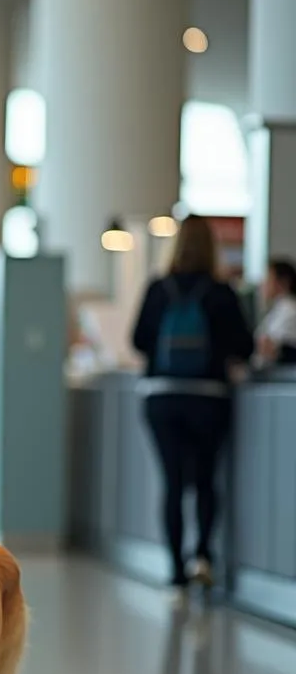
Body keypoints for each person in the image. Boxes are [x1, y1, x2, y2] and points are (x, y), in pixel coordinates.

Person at [131, 215, 254, 595]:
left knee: (172, 482)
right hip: (208, 397)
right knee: (204, 479)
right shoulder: (221, 292)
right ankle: (203, 554)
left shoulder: (157, 289)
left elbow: (137, 340)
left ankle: (175, 569)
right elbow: (244, 346)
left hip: (162, 397)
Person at [255, 257, 296, 366]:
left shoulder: (289, 310)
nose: (263, 284)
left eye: (268, 279)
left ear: (283, 282)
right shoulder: (279, 308)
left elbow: (271, 348)